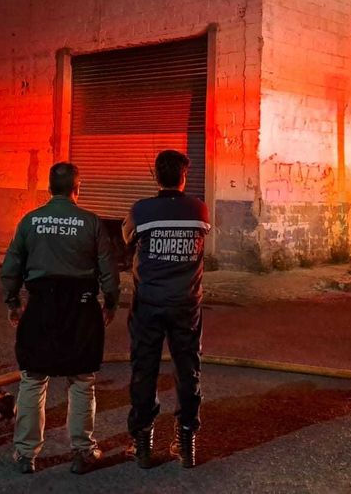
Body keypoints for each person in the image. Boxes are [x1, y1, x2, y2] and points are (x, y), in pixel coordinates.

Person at [0, 162, 120, 475]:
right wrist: (110, 302)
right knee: (81, 379)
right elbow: (109, 270)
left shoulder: (30, 220)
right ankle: (82, 450)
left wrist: (13, 301)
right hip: (81, 308)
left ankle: (26, 454)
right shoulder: (91, 222)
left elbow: (11, 266)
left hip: (40, 306)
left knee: (33, 378)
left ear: (50, 189)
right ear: (76, 189)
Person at [123, 149, 210, 469]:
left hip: (148, 304)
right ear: (184, 177)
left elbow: (127, 239)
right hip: (186, 304)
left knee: (144, 370)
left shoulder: (142, 210)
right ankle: (187, 442)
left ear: (156, 176)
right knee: (188, 370)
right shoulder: (199, 209)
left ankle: (143, 444)